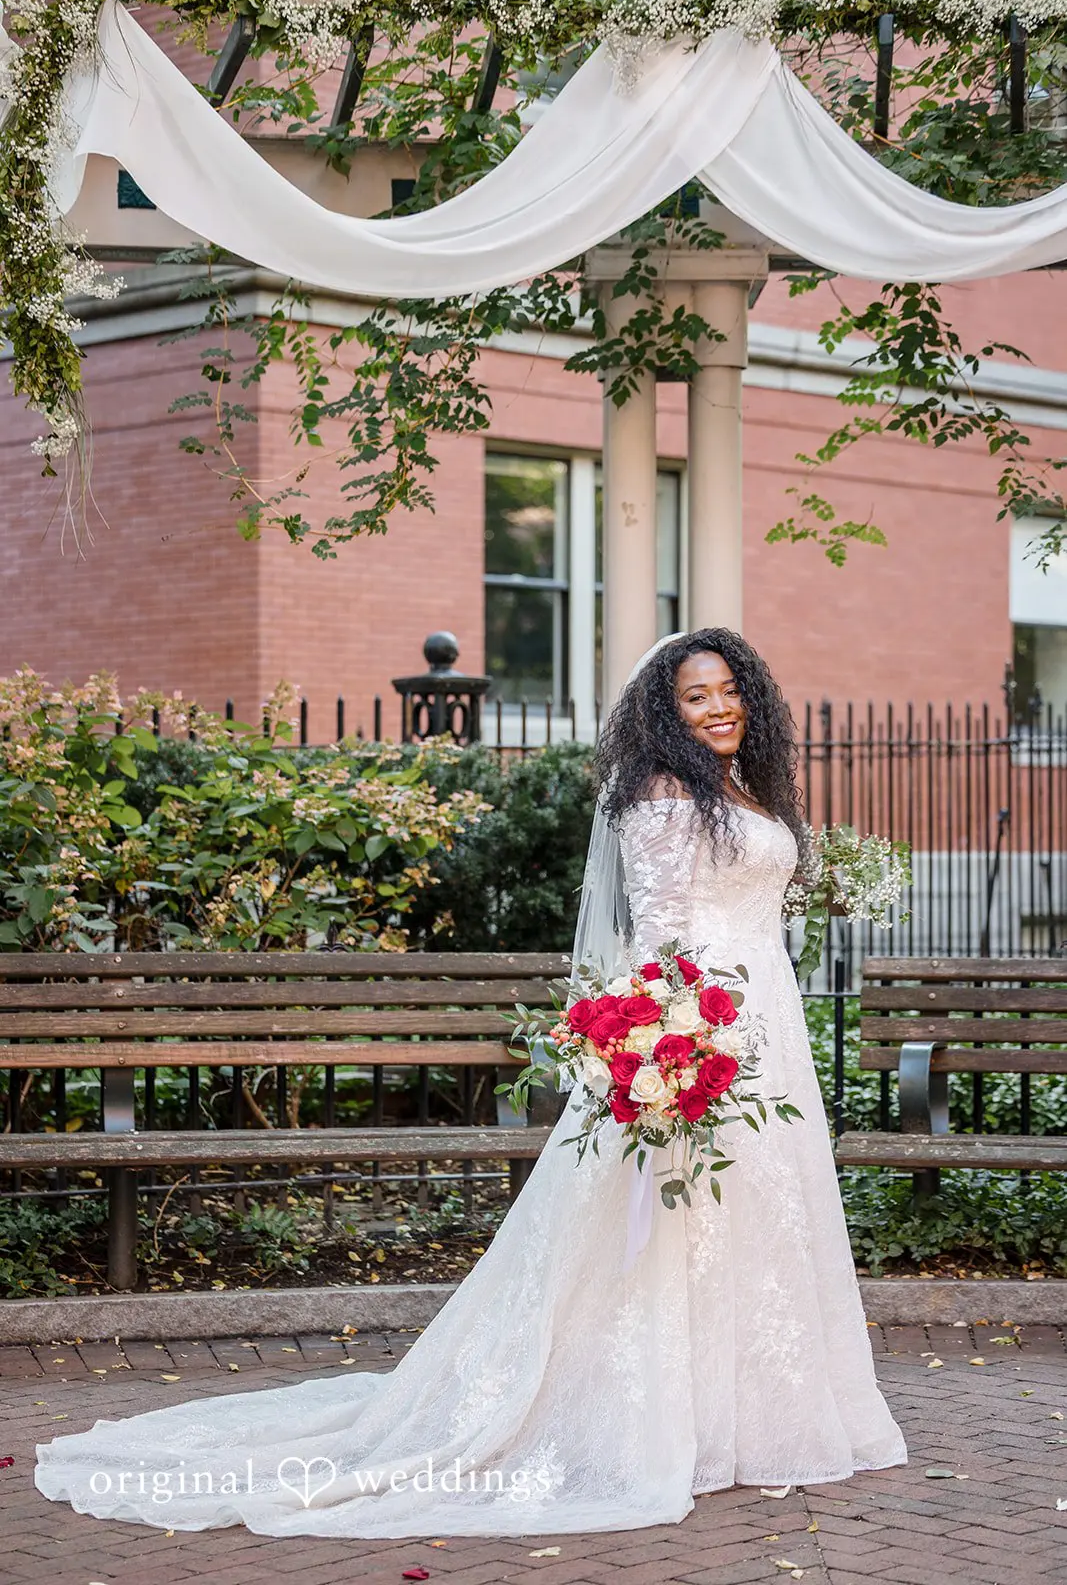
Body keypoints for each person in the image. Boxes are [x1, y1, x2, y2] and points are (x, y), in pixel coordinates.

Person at [34, 628, 906, 1537]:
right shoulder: (661, 791)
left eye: (730, 690)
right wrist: (667, 1044)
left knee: (759, 1216)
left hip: (770, 1021)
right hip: (702, 1025)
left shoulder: (741, 789)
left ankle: (754, 1417)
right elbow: (660, 930)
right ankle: (652, 1416)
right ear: (666, 709)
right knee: (670, 1223)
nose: (719, 706)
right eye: (696, 696)